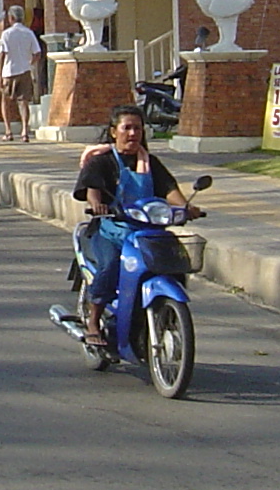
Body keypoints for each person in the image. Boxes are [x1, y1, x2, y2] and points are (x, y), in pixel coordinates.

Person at [71, 107, 200, 352]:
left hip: (146, 230)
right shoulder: (101, 161)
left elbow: (169, 189)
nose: (132, 133)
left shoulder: (149, 162)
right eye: (126, 128)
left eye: (137, 128)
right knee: (111, 266)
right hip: (111, 230)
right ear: (113, 132)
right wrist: (97, 205)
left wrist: (186, 207)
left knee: (172, 264)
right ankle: (94, 321)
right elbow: (92, 189)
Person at [0, 5, 43, 144]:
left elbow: (2, 54)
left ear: (11, 18)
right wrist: (30, 63)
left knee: (6, 101)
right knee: (24, 103)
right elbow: (37, 53)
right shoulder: (28, 33)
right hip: (25, 70)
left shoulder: (6, 34)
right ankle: (24, 131)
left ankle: (8, 131)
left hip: (9, 71)